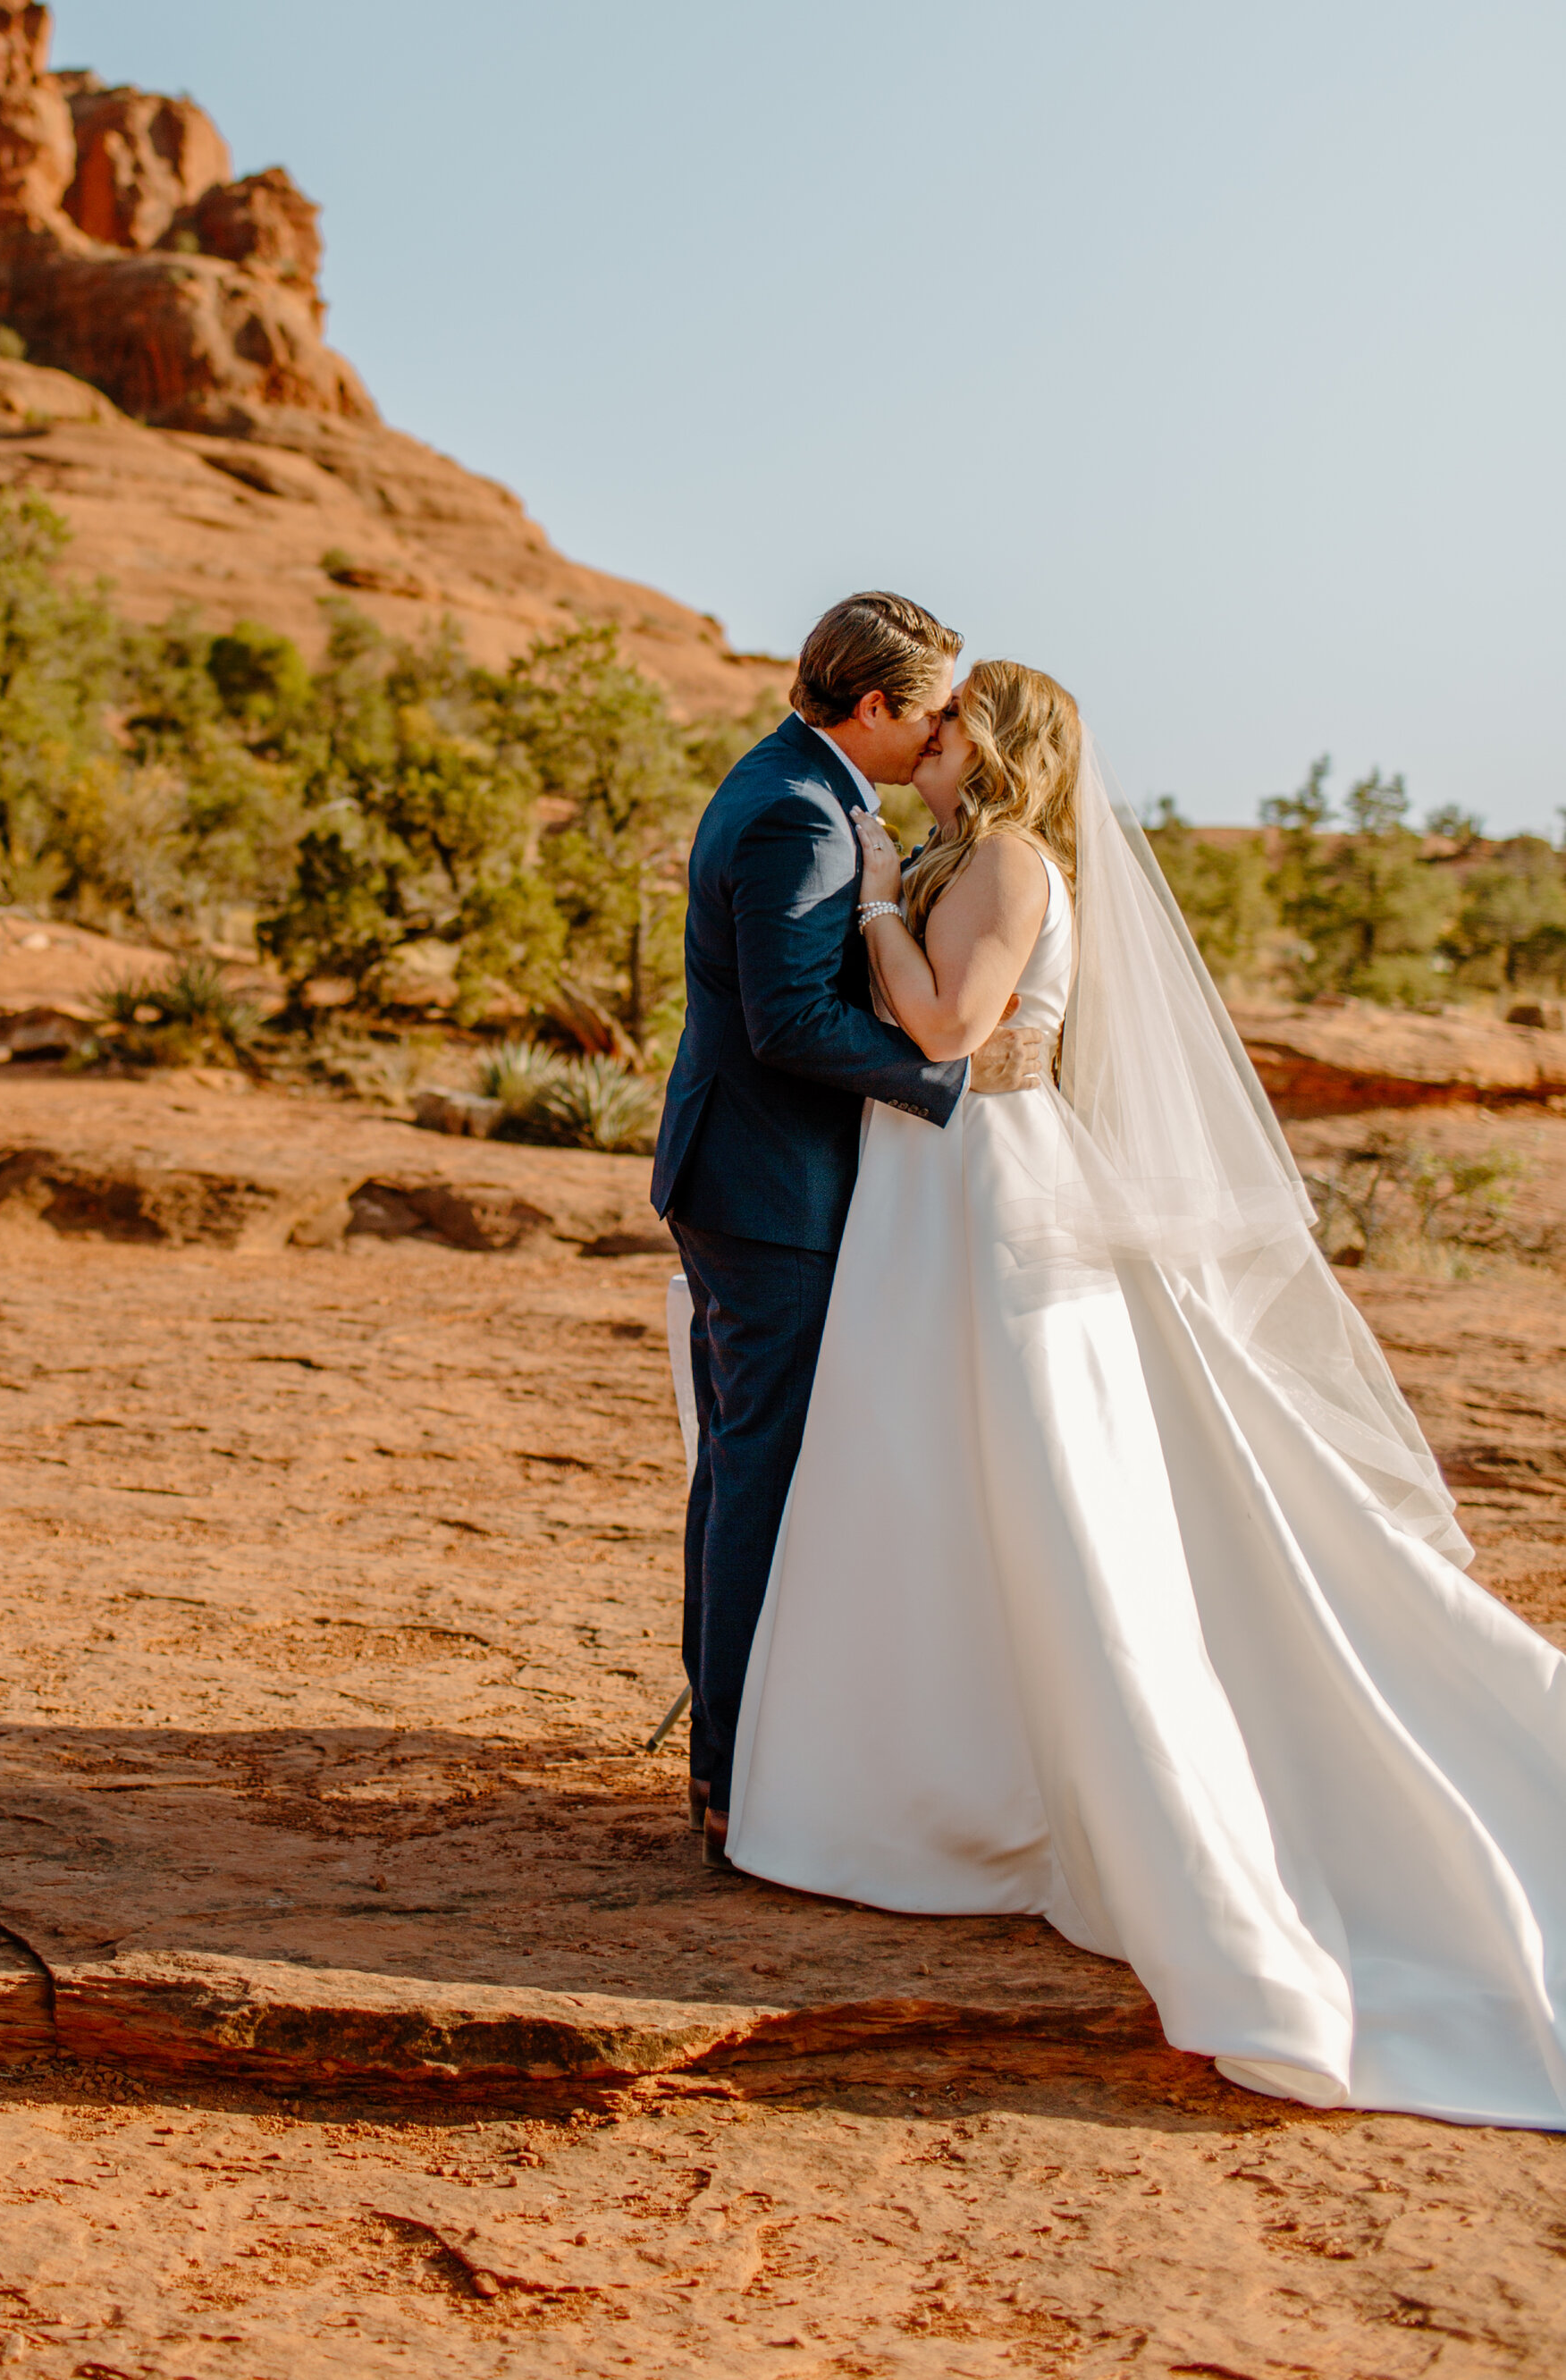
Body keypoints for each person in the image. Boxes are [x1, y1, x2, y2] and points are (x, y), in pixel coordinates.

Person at [726, 657, 1566, 2127]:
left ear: (990, 742)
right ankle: (945, 1765)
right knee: (934, 1469)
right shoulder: (970, 849)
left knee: (1033, 1469)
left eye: (951, 717)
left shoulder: (1002, 855)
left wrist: (867, 901)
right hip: (936, 1183)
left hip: (987, 1180)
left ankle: (1032, 1793)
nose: (928, 736)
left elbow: (947, 1030)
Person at [652, 591, 970, 1873]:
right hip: (764, 1188)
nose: (950, 724)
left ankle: (733, 1753)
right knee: (759, 1474)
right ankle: (735, 1776)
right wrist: (952, 1086)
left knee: (739, 1463)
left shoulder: (804, 784)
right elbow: (788, 1022)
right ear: (878, 704)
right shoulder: (796, 809)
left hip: (747, 1172)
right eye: (936, 703)